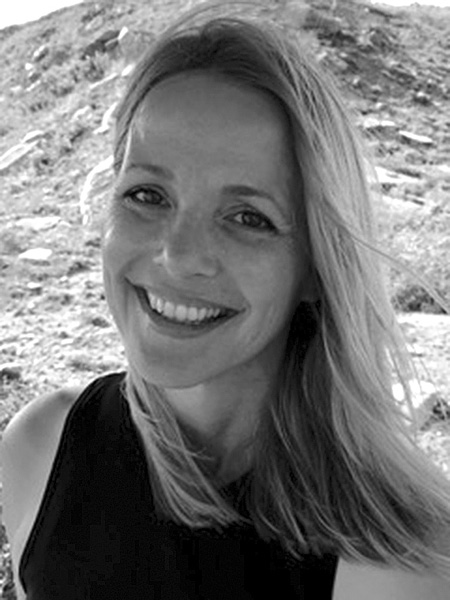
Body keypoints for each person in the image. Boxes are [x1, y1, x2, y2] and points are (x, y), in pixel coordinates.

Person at [2, 5, 450, 599]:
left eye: (248, 217)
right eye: (146, 194)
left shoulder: (399, 564)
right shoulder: (40, 449)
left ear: (318, 266)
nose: (179, 255)